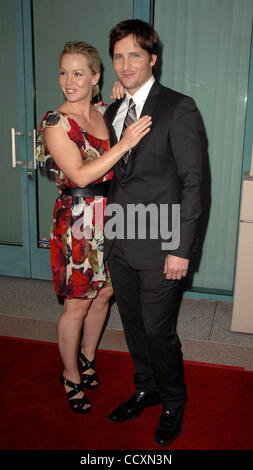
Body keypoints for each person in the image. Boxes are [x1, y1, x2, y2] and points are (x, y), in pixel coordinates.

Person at [103, 20, 205, 445]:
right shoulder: (112, 110)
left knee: (157, 327)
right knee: (131, 322)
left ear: (152, 59)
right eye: (119, 56)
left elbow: (194, 183)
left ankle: (174, 399)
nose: (126, 65)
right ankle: (145, 386)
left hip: (162, 243)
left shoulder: (178, 107)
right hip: (118, 237)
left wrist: (181, 249)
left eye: (135, 55)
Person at [36, 40, 151, 414]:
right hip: (78, 220)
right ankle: (69, 375)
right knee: (77, 306)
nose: (69, 81)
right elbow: (81, 172)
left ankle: (87, 358)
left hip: (111, 215)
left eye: (78, 73)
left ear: (95, 77)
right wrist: (125, 144)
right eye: (64, 72)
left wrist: (122, 95)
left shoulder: (105, 111)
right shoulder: (55, 122)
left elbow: (130, 102)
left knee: (104, 295)